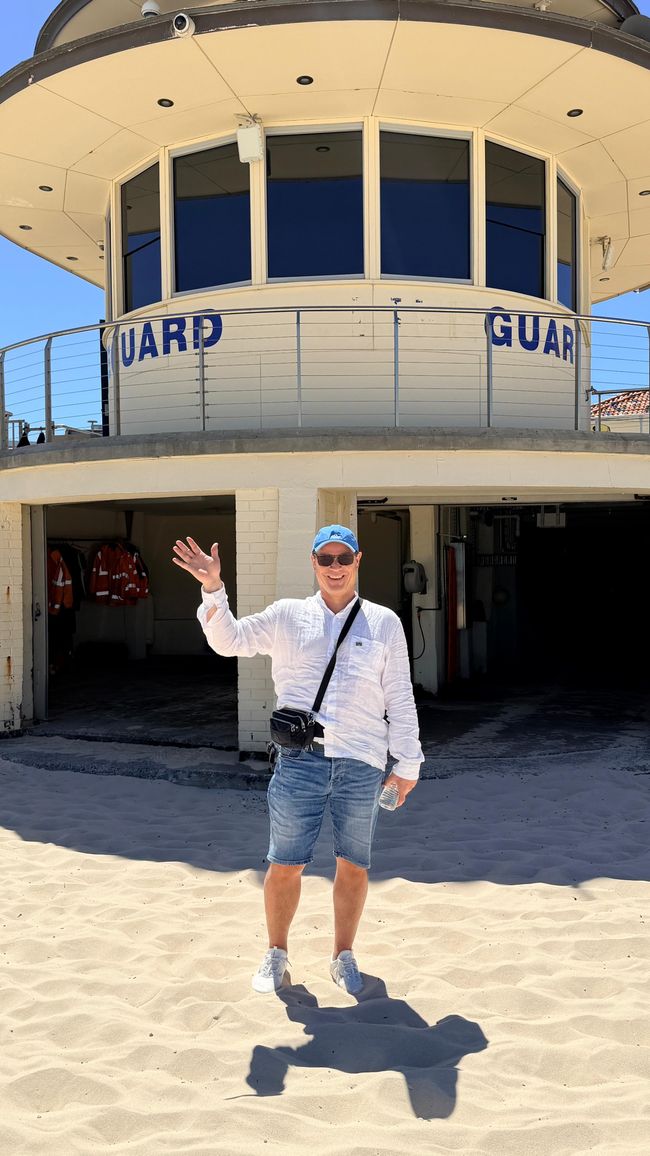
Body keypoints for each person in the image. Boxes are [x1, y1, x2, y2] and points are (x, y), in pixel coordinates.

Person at [172, 524, 423, 996]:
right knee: (284, 863)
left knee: (354, 864)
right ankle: (276, 955)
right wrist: (212, 588)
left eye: (342, 558)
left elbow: (401, 698)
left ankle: (343, 956)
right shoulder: (288, 616)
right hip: (300, 762)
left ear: (357, 561)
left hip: (362, 763)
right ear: (313, 563)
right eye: (325, 559)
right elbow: (229, 641)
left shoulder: (384, 622)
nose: (334, 567)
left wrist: (408, 764)